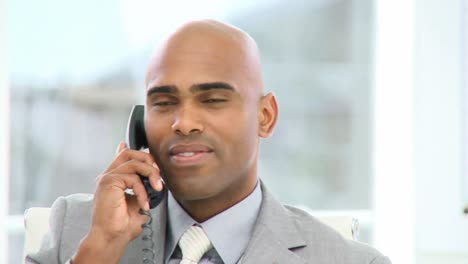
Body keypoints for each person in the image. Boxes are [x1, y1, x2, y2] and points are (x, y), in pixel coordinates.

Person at [26, 19, 391, 264]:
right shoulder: (74, 232)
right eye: (164, 103)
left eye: (213, 99)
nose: (183, 123)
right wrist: (100, 250)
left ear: (265, 117)